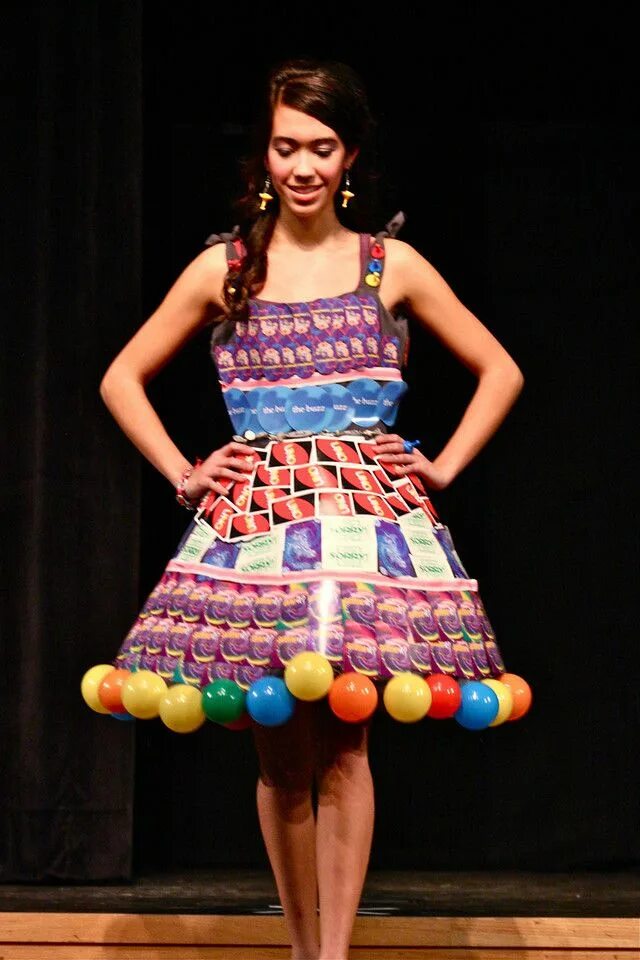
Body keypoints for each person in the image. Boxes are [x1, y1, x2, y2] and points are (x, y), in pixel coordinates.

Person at [92, 58, 526, 960]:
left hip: (361, 524)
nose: (302, 166)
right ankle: (300, 947)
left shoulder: (388, 266)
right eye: (287, 146)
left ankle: (334, 955)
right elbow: (121, 377)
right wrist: (183, 471)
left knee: (346, 744)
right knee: (279, 751)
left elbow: (501, 369)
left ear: (349, 155)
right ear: (265, 153)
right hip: (260, 525)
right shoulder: (227, 269)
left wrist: (442, 466)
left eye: (322, 148)